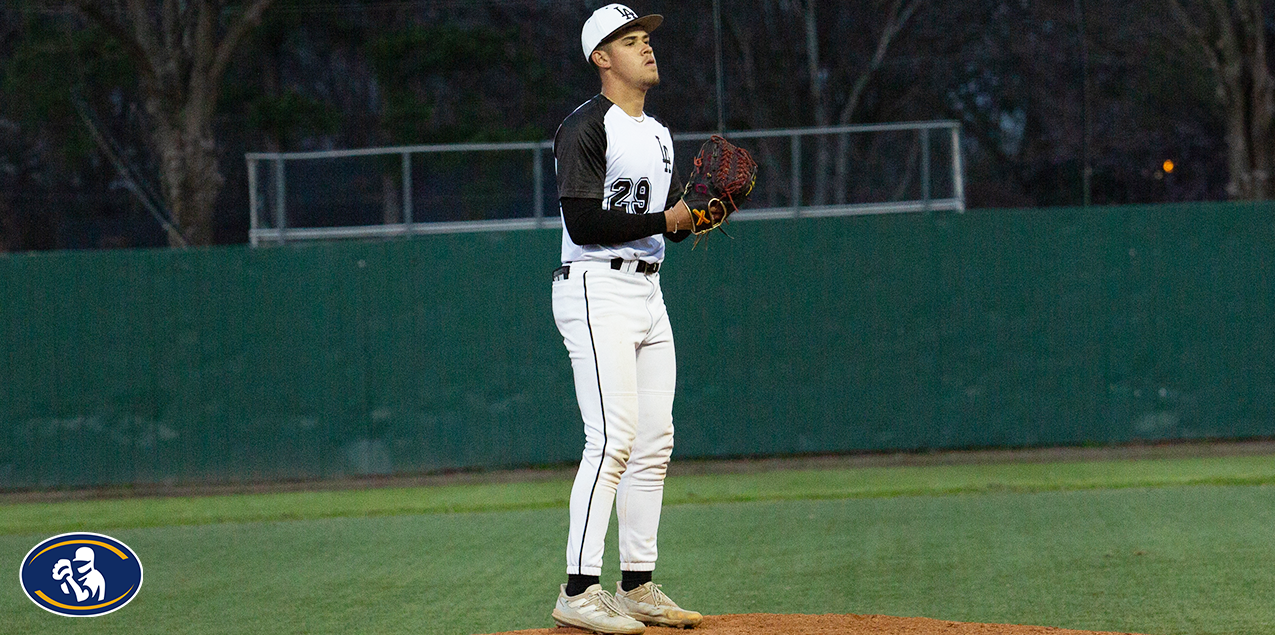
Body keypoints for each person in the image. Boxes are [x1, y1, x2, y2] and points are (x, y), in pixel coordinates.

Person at [548, 4, 704, 634]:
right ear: (602, 59)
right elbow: (584, 223)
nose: (647, 48)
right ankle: (577, 590)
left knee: (655, 440)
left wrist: (692, 220)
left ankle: (637, 583)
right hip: (594, 289)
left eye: (647, 39)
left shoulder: (660, 134)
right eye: (631, 41)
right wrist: (664, 221)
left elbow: (659, 221)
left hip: (648, 290)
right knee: (610, 440)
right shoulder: (586, 127)